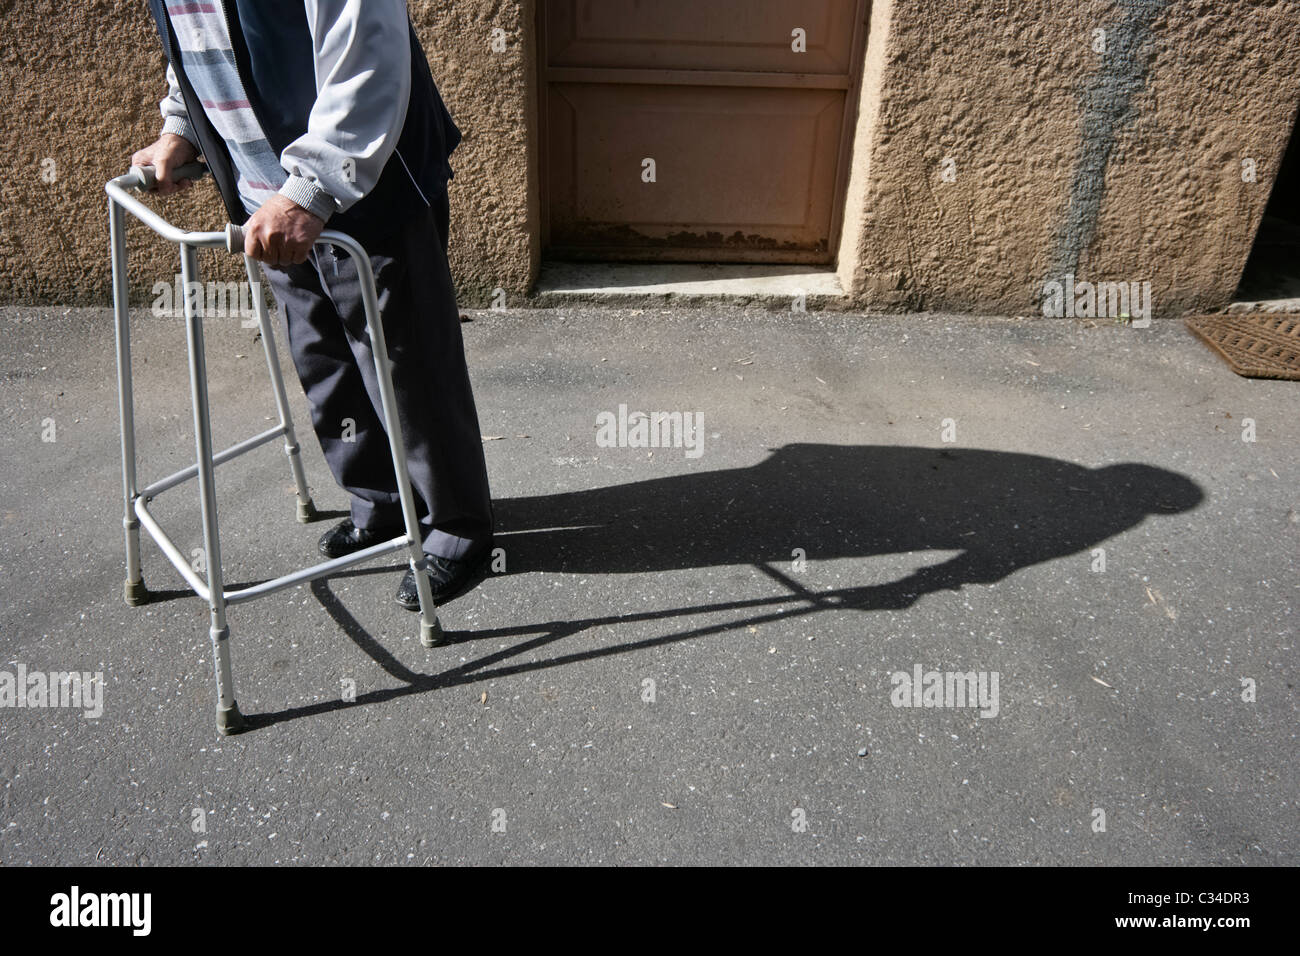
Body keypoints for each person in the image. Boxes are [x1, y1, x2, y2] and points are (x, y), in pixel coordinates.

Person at [132, 0, 494, 609]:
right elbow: (199, 42)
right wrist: (182, 127)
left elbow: (369, 54)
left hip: (359, 190)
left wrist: (311, 188)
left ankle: (457, 529)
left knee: (406, 367)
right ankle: (382, 502)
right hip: (267, 200)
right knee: (323, 360)